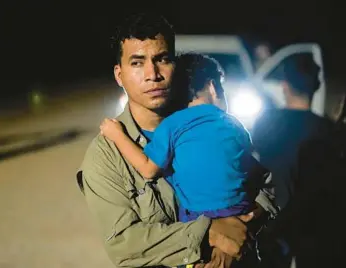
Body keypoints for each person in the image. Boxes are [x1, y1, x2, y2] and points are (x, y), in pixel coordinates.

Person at [76, 12, 277, 268]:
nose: (153, 74)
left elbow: (264, 183)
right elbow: (124, 243)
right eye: (137, 63)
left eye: (162, 59)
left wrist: (245, 223)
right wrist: (211, 232)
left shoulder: (204, 126)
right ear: (119, 75)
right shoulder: (107, 155)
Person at [251, 54, 334, 268]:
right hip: (314, 226)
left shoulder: (266, 123)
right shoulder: (326, 130)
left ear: (285, 86)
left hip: (271, 222)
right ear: (315, 86)